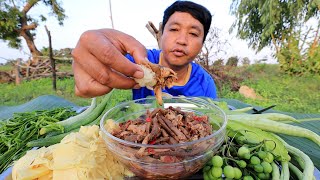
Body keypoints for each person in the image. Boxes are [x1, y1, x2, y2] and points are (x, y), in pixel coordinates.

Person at [72, 1, 218, 100]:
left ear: (202, 43)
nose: (182, 40)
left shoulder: (205, 84)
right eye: (174, 29)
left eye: (193, 33)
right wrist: (87, 62)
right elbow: (100, 68)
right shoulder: (139, 62)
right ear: (161, 35)